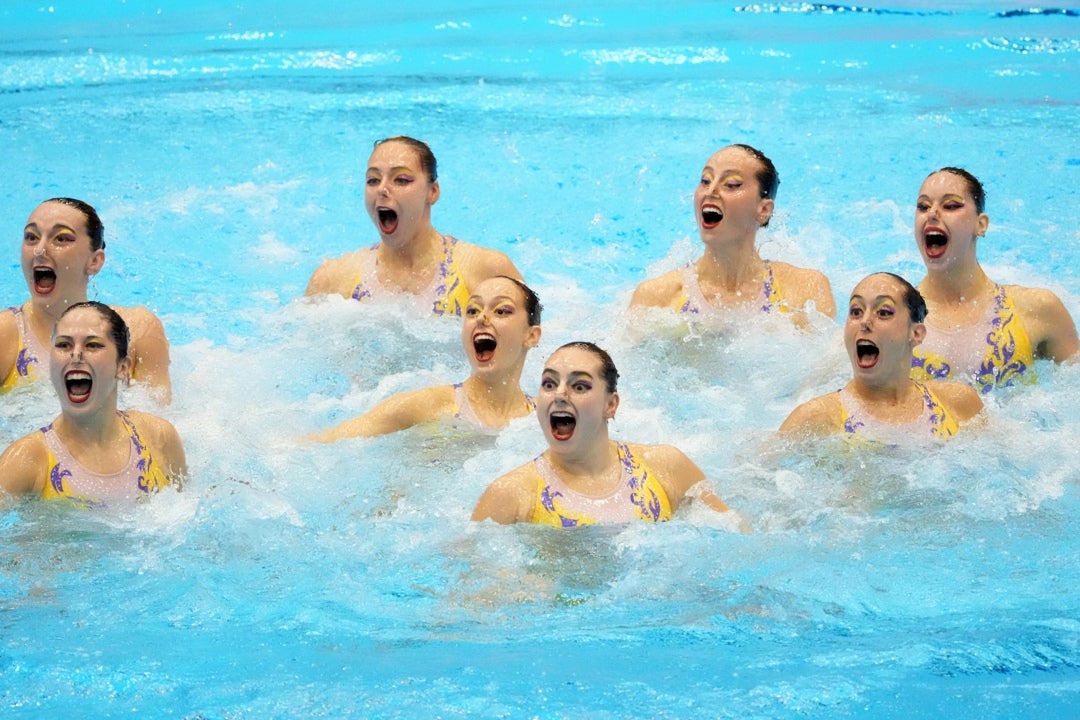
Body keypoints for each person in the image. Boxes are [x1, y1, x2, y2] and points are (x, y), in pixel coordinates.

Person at [471, 341, 739, 526]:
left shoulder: (666, 467)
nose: (560, 395)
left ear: (610, 404)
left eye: (580, 386)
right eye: (549, 383)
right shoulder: (511, 494)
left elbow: (733, 540)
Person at [305, 135, 523, 315]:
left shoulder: (485, 270)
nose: (382, 189)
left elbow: (532, 344)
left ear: (433, 192)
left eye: (401, 180)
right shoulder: (331, 281)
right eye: (373, 180)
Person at [309, 276, 542, 441]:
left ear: (531, 336)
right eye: (472, 310)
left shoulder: (542, 421)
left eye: (501, 311)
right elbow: (328, 441)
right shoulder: (428, 406)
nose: (482, 318)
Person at [0, 301, 186, 507]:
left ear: (123, 367)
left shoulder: (158, 437)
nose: (76, 354)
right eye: (63, 345)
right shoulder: (28, 460)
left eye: (92, 345)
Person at [909, 167, 1078, 393]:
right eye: (923, 206)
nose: (932, 213)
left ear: (981, 224)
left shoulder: (1038, 309)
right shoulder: (895, 321)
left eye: (951, 205)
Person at [629, 143, 835, 324]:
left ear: (763, 210)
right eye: (705, 180)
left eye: (732, 184)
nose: (711, 191)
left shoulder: (805, 290)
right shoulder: (655, 298)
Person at [0, 198, 173, 403]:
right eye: (31, 237)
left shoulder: (137, 331)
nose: (40, 250)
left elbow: (161, 425)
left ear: (94, 261)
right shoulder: (5, 336)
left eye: (61, 239)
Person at [780, 273, 982, 442]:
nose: (865, 321)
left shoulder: (957, 403)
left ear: (916, 334)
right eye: (856, 311)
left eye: (883, 312)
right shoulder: (818, 418)